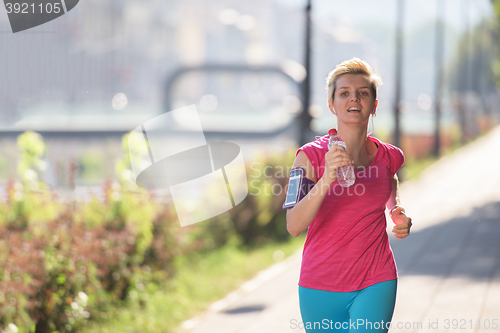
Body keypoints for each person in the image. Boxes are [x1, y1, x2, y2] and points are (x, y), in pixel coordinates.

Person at [285, 58, 412, 333]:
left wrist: (395, 209)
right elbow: (293, 225)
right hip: (319, 284)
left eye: (363, 93)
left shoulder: (389, 156)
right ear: (332, 104)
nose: (354, 98)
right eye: (344, 93)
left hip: (376, 278)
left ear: (374, 105)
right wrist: (328, 177)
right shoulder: (309, 157)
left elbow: (388, 178)